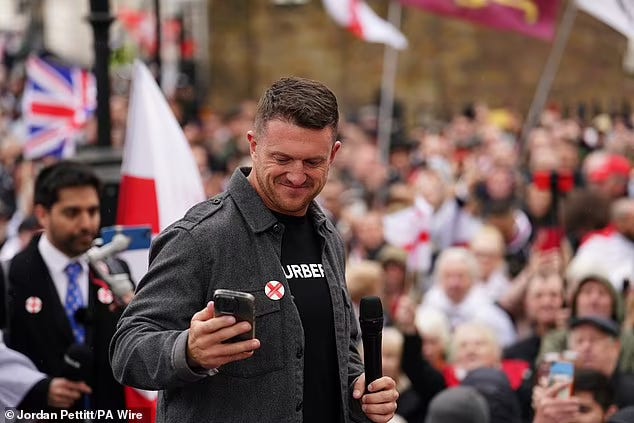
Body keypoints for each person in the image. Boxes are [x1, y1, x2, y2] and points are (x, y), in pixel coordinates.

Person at [110, 76, 398, 423]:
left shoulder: (329, 236)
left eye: (312, 162)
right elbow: (127, 350)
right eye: (282, 158)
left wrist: (359, 387)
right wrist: (188, 351)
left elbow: (339, 347)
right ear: (253, 145)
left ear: (334, 154)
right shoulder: (200, 238)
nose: (296, 174)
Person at [6, 160, 132, 421]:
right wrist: (39, 388)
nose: (87, 223)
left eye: (93, 211)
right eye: (72, 213)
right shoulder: (10, 276)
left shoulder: (115, 271)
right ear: (42, 214)